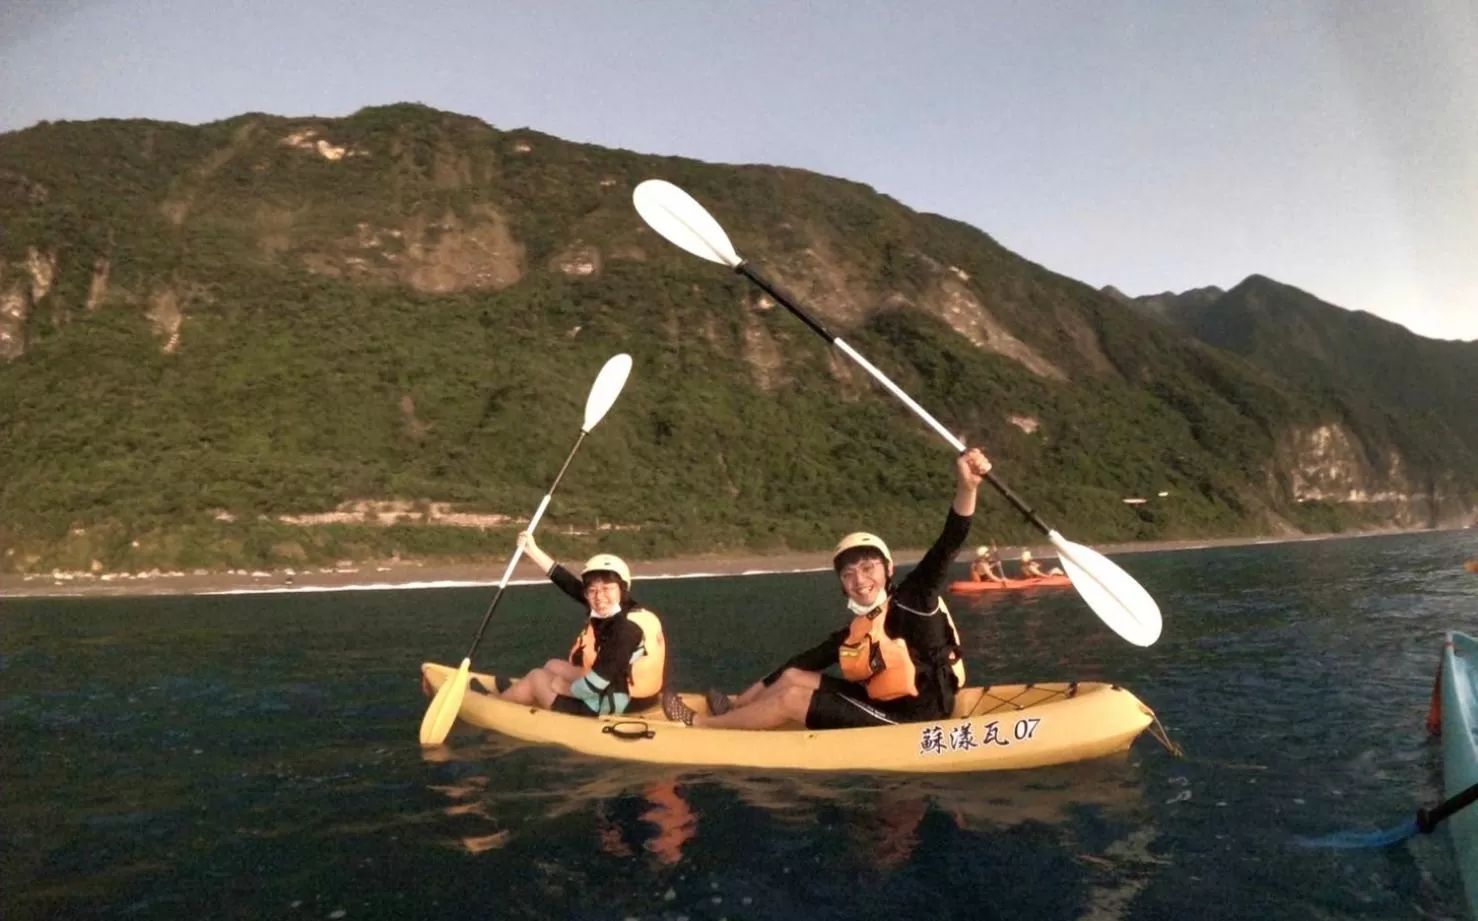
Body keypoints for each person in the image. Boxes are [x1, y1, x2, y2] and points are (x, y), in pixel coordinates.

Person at [660, 447, 992, 731]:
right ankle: (736, 713)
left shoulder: (914, 598)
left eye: (868, 568)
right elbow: (805, 661)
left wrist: (967, 488)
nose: (859, 581)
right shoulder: (861, 626)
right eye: (848, 575)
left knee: (792, 699)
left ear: (888, 569)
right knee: (792, 677)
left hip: (918, 716)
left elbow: (949, 543)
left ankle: (704, 726)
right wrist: (743, 700)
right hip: (885, 703)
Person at [490, 532, 667, 717]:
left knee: (536, 677)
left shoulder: (624, 630)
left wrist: (565, 688)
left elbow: (594, 685)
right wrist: (532, 550)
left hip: (619, 703)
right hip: (627, 691)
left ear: (622, 589)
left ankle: (497, 705)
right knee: (553, 666)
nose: (599, 597)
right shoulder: (623, 609)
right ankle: (521, 692)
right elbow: (568, 583)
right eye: (593, 591)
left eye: (607, 589)